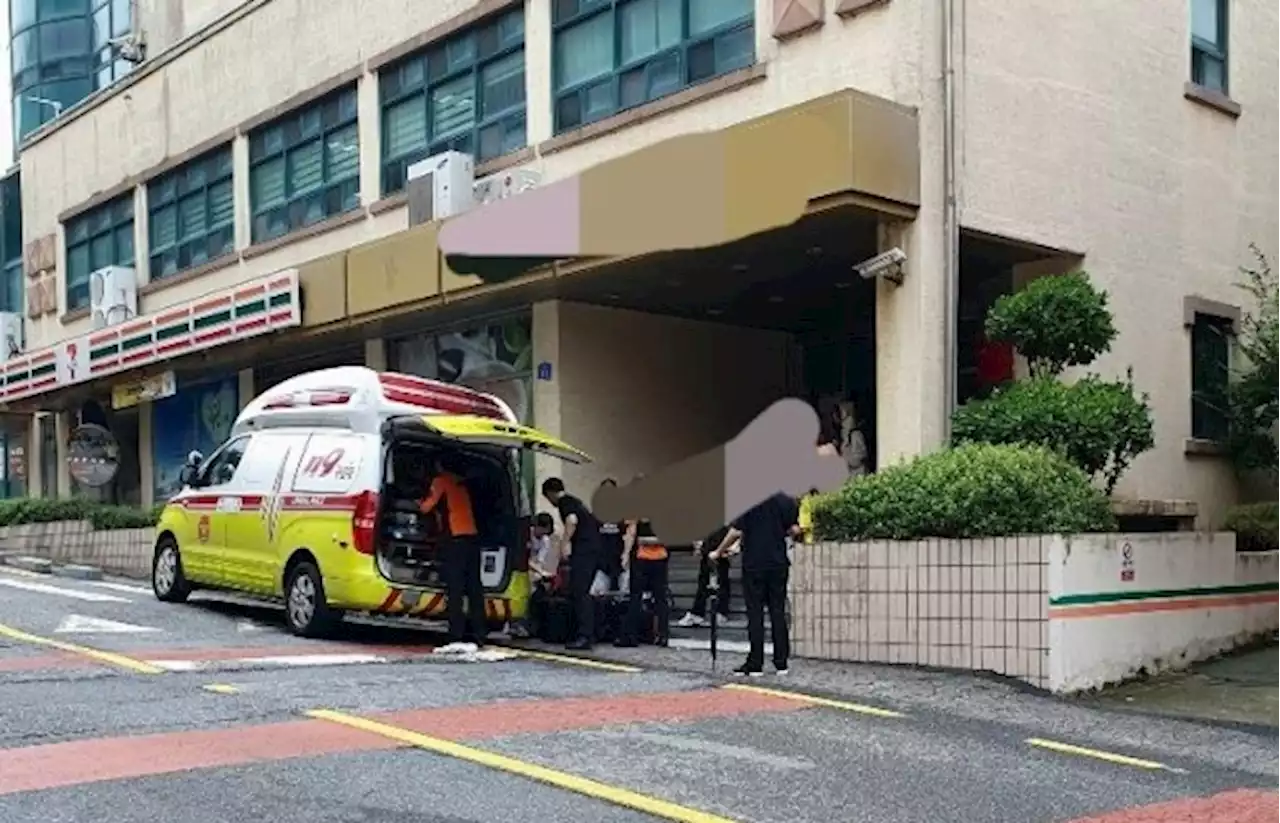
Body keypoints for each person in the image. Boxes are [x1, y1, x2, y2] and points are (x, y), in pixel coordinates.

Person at [710, 492, 802, 677]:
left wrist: (718, 551)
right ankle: (781, 662)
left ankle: (755, 663)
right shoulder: (786, 500)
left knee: (755, 613)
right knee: (777, 611)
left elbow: (736, 531)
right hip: (778, 562)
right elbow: (794, 530)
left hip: (754, 563)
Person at [420, 457, 487, 651]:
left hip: (455, 539)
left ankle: (455, 634)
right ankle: (479, 634)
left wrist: (419, 502)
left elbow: (427, 507)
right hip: (472, 538)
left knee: (456, 588)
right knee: (475, 588)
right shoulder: (464, 483)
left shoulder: (441, 481)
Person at [541, 476, 602, 650]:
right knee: (583, 591)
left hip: (584, 550)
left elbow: (572, 521)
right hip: (593, 549)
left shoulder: (565, 502)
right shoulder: (576, 501)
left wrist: (564, 543)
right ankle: (587, 633)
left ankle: (584, 636)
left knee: (580, 591)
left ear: (551, 493)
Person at [615, 517, 670, 647]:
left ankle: (630, 635)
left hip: (641, 558)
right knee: (660, 598)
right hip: (660, 557)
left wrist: (626, 554)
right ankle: (663, 635)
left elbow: (631, 532)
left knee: (636, 597)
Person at [510, 512, 561, 639]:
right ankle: (515, 624)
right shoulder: (525, 535)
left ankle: (529, 625)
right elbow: (523, 557)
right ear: (537, 526)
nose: (544, 535)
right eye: (543, 531)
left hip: (532, 570)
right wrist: (538, 571)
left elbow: (539, 560)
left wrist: (541, 574)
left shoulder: (545, 541)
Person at [675, 524, 734, 628]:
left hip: (716, 544)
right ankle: (712, 612)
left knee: (715, 580)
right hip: (714, 543)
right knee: (711, 580)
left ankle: (705, 612)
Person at [596, 478, 627, 592]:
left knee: (622, 593)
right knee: (599, 593)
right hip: (601, 561)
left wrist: (625, 554)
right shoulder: (595, 514)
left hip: (618, 559)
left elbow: (628, 535)